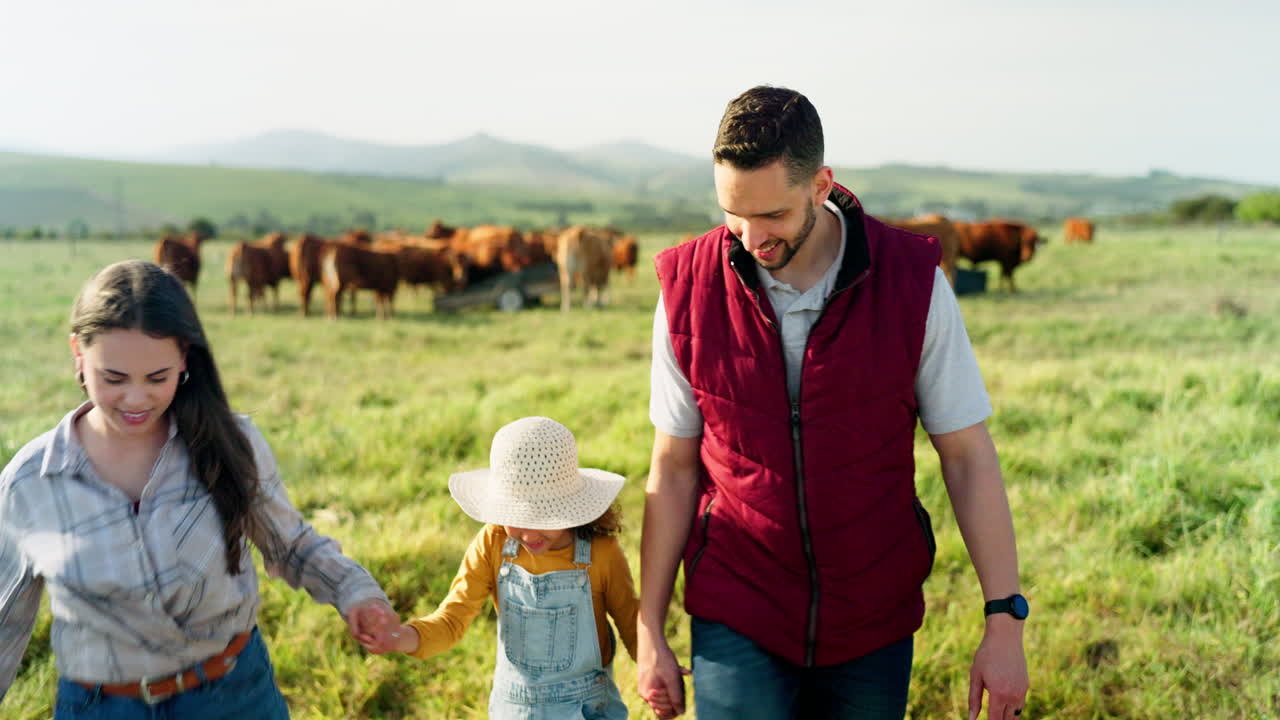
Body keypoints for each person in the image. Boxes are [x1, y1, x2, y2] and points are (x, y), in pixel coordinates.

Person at [637, 86, 1030, 720]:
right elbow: (674, 468)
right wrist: (649, 628)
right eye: (733, 213)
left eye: (772, 215)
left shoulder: (912, 281)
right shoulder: (687, 288)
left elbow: (967, 457)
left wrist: (1004, 620)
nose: (750, 237)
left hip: (872, 616)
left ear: (821, 186)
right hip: (738, 604)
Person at [0, 260, 399, 719]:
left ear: (185, 358)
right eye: (114, 378)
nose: (136, 399)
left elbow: (292, 545)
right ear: (77, 352)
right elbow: (4, 620)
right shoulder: (31, 480)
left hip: (235, 698)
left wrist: (356, 592)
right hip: (101, 709)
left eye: (157, 378)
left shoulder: (230, 443)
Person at [363, 416, 642, 719]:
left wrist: (657, 672)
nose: (530, 535)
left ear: (571, 506)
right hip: (516, 710)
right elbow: (451, 622)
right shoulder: (493, 543)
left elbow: (632, 625)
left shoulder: (602, 553)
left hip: (587, 709)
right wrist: (398, 637)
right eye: (517, 518)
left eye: (544, 518)